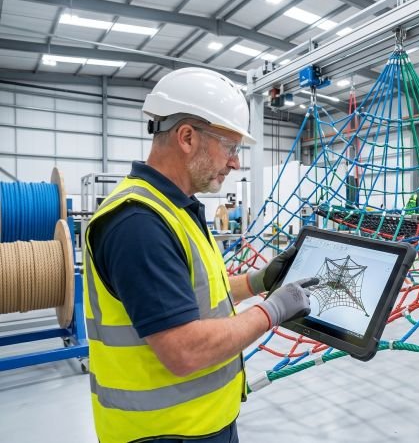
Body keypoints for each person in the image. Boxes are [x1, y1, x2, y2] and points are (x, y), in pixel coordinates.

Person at [84, 67, 318, 443]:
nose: (236, 162)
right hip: (166, 433)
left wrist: (258, 282)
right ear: (188, 137)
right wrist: (271, 310)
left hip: (200, 423)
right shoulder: (139, 223)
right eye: (230, 147)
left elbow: (190, 293)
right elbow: (184, 350)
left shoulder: (175, 208)